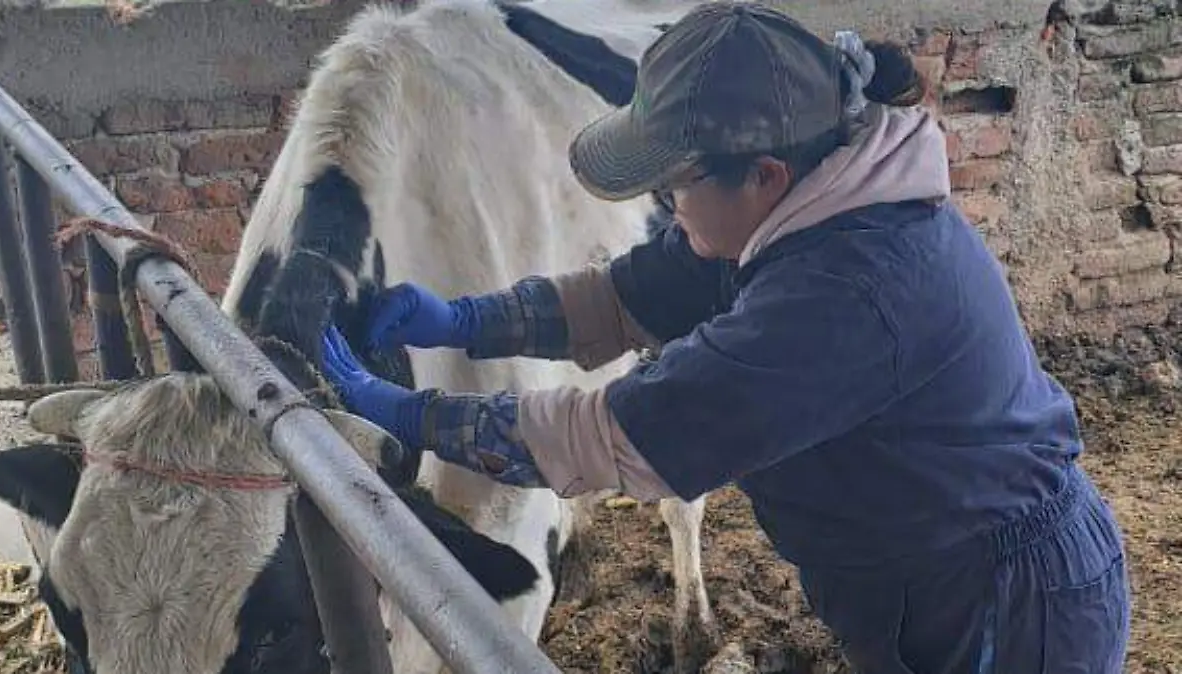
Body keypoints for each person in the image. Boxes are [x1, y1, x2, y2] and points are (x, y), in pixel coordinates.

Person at [318, 2, 1132, 672]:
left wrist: (416, 416)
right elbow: (631, 294)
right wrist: (467, 319)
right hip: (926, 575)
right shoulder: (799, 208)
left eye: (673, 183)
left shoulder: (845, 292)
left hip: (1010, 609)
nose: (665, 206)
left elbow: (617, 435)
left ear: (764, 177)